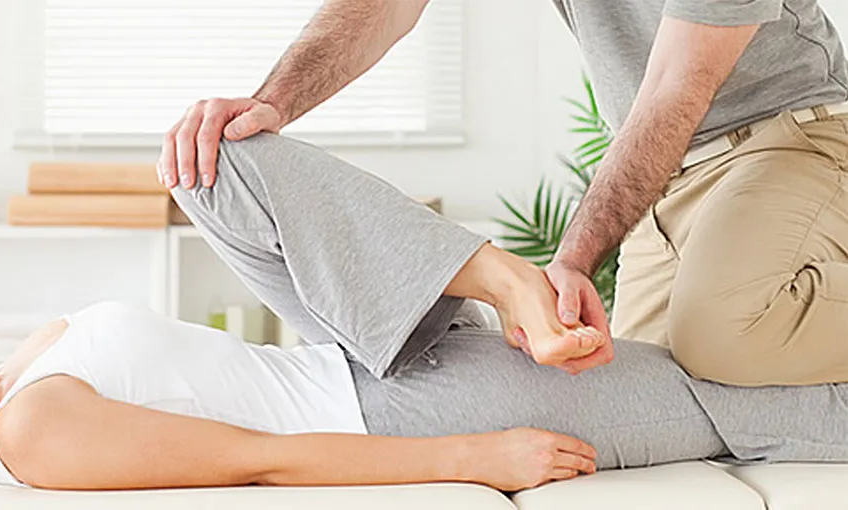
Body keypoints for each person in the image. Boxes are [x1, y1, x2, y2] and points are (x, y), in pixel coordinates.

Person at [0, 134, 848, 492]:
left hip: (367, 349)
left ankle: (501, 279)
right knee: (721, 394)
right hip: (398, 411)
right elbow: (254, 460)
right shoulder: (28, 432)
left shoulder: (11, 375)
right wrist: (483, 453)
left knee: (213, 160)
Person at [157, 0, 848, 386]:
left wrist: (574, 258)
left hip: (788, 137)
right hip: (671, 179)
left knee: (725, 339)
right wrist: (272, 102)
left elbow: (678, 86)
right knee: (645, 388)